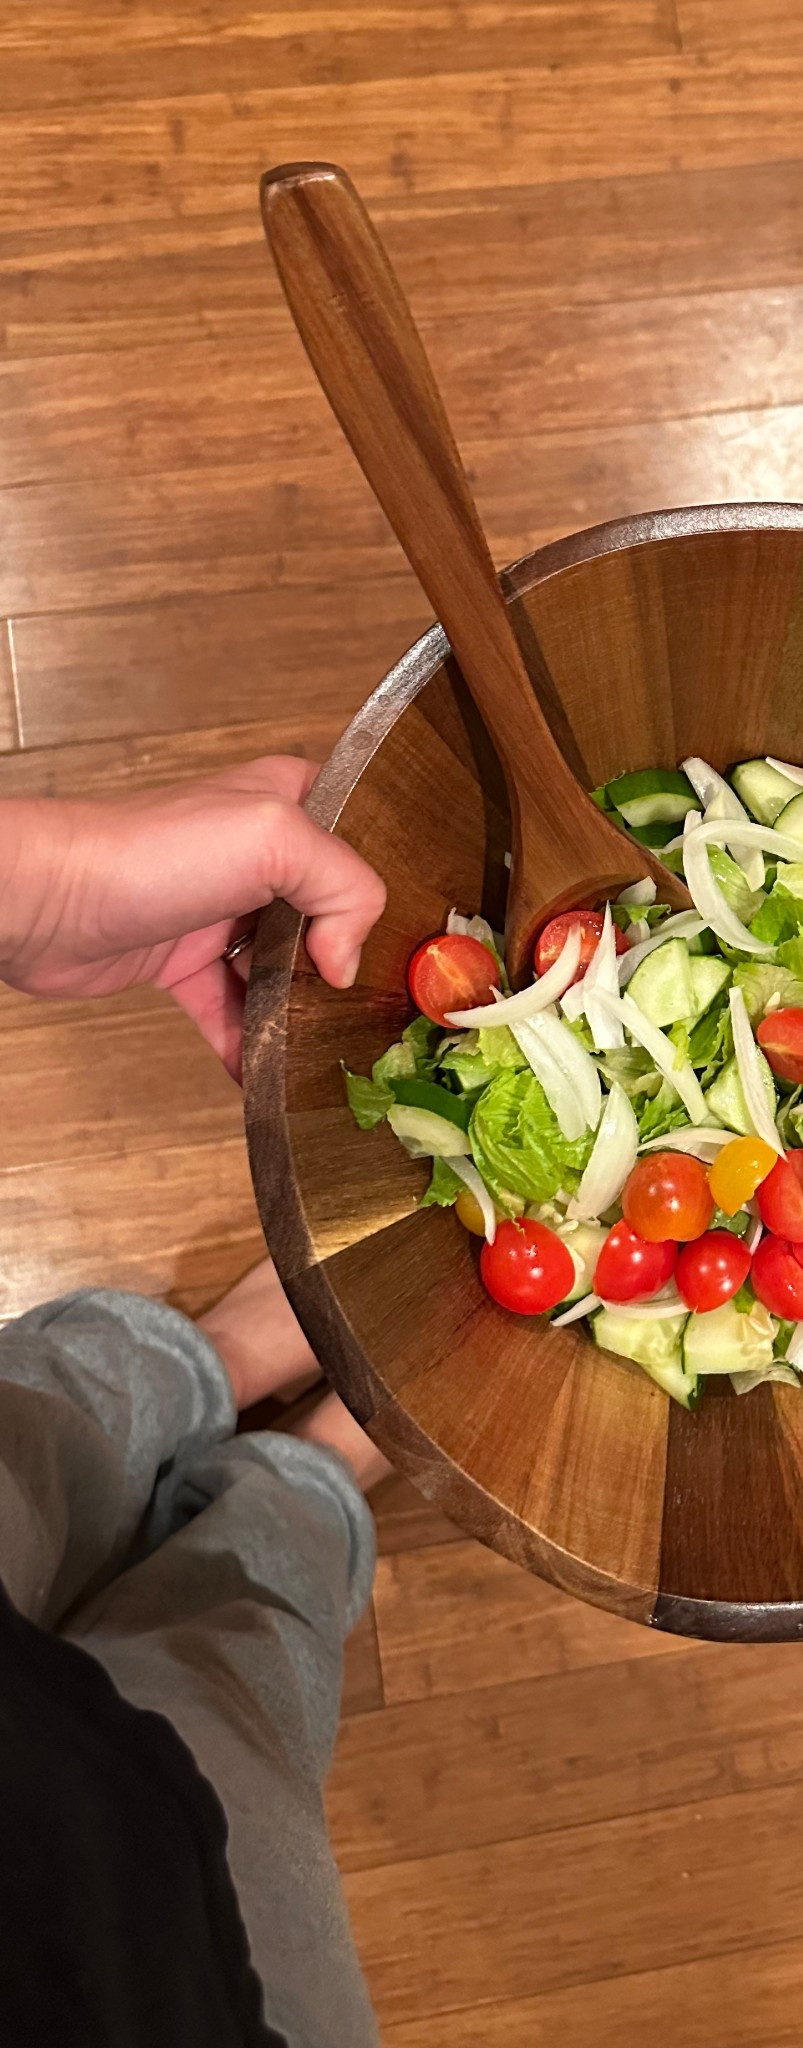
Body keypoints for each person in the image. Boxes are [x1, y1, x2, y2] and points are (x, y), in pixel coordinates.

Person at [0, 756, 391, 2047]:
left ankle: (215, 1364)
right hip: (138, 1977)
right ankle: (312, 1470)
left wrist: (39, 879)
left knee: (46, 1424)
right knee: (229, 1692)